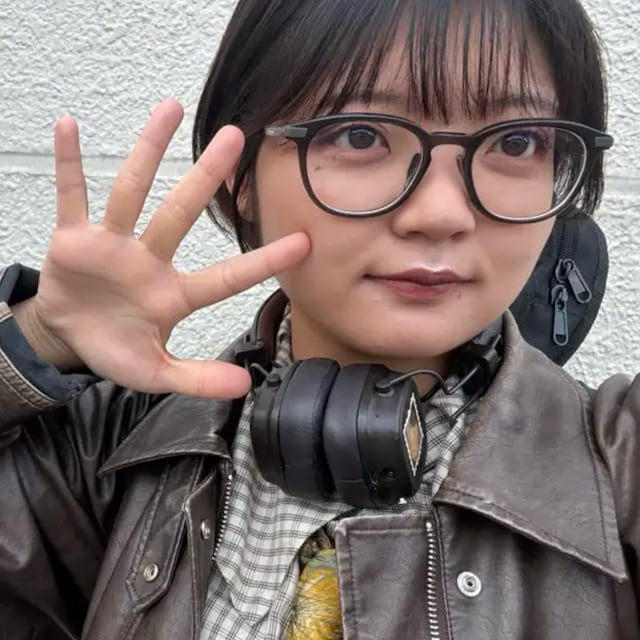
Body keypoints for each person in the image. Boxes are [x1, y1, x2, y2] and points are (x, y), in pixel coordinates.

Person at [0, 0, 638, 638]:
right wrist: (37, 342)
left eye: (517, 142)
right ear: (242, 176)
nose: (441, 214)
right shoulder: (109, 452)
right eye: (360, 135)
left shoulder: (620, 463)